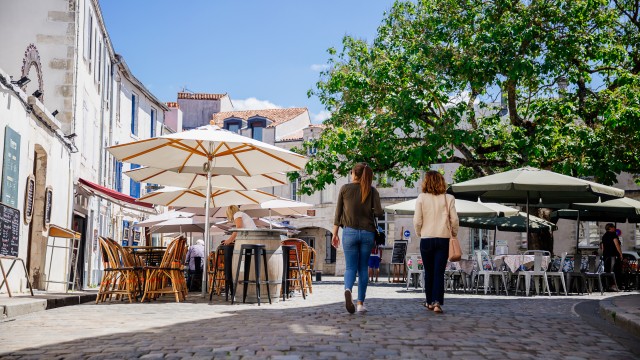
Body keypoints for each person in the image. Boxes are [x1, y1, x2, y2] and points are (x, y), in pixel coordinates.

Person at [332, 162, 383, 314]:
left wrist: (334, 234)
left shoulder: (345, 189)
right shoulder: (372, 191)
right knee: (362, 268)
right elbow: (379, 212)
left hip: (349, 232)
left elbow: (338, 214)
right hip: (368, 233)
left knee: (350, 267)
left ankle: (348, 289)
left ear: (354, 173)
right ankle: (360, 303)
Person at [413, 170, 458, 314]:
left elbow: (417, 220)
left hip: (426, 238)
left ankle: (428, 301)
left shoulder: (421, 198)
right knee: (439, 272)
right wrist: (454, 233)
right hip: (443, 238)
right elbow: (455, 220)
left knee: (428, 271)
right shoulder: (449, 198)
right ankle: (437, 302)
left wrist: (419, 232)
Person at [600, 223, 623, 291]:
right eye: (613, 227)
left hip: (606, 256)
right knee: (616, 270)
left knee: (607, 271)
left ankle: (607, 285)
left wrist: (604, 254)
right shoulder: (613, 235)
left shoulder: (604, 236)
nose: (615, 228)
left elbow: (602, 247)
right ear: (610, 228)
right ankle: (614, 285)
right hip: (614, 255)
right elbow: (617, 244)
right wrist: (620, 254)